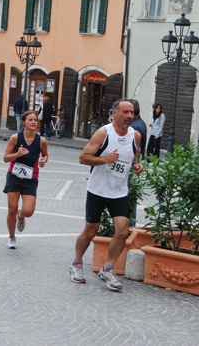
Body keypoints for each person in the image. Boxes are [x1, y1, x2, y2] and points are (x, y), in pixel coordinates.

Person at [69, 99, 144, 291]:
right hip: (98, 190)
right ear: (114, 113)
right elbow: (83, 157)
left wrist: (137, 165)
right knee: (90, 230)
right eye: (125, 112)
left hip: (119, 191)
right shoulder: (104, 133)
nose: (129, 116)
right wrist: (105, 160)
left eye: (132, 113)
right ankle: (77, 264)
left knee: (122, 230)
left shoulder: (136, 136)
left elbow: (135, 155)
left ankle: (108, 269)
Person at [3, 110, 48, 249]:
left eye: (35, 120)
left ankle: (21, 216)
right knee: (12, 209)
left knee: (28, 211)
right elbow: (5, 158)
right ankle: (11, 237)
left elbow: (46, 155)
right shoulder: (15, 138)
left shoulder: (41, 140)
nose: (34, 122)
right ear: (24, 122)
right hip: (14, 176)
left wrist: (43, 160)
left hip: (30, 178)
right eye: (30, 120)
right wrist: (17, 154)